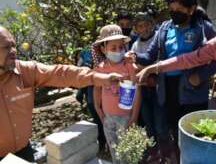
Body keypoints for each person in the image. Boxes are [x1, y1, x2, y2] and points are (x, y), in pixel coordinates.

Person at [0, 26, 124, 162]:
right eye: (6, 47)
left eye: (14, 46)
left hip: (24, 151)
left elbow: (60, 73)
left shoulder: (24, 70)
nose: (13, 51)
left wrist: (97, 78)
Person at [126, 0, 216, 162]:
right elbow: (149, 56)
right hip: (167, 90)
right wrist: (135, 56)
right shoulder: (165, 29)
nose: (174, 13)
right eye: (172, 9)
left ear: (191, 9)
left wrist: (201, 75)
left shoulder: (203, 28)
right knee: (174, 132)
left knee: (194, 133)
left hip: (193, 91)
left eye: (179, 9)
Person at [92, 25, 141, 164]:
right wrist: (98, 109)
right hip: (108, 117)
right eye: (113, 48)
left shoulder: (129, 65)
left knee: (129, 153)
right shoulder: (100, 68)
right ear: (103, 49)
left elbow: (137, 90)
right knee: (115, 151)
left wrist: (134, 117)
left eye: (121, 47)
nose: (118, 51)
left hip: (126, 117)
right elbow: (96, 89)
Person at [131, 11, 165, 161]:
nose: (144, 28)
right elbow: (133, 67)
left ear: (151, 24)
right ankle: (153, 152)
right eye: (140, 26)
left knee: (160, 124)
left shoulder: (158, 39)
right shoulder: (135, 45)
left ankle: (165, 151)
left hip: (158, 88)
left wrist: (144, 68)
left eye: (146, 24)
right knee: (148, 123)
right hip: (143, 89)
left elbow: (158, 63)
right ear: (136, 29)